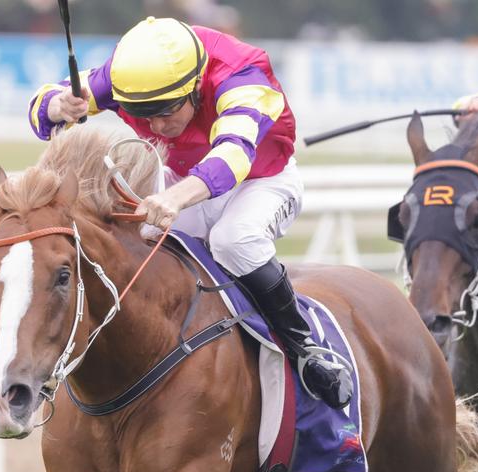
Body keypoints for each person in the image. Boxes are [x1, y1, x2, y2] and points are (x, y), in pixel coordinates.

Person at [28, 17, 352, 409]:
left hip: (260, 180)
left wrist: (175, 198)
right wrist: (57, 104)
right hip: (184, 178)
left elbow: (233, 157)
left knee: (233, 240)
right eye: (144, 116)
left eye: (166, 113)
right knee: (137, 241)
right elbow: (43, 106)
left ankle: (307, 351)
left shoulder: (243, 77)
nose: (157, 127)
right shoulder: (129, 74)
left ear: (196, 86)